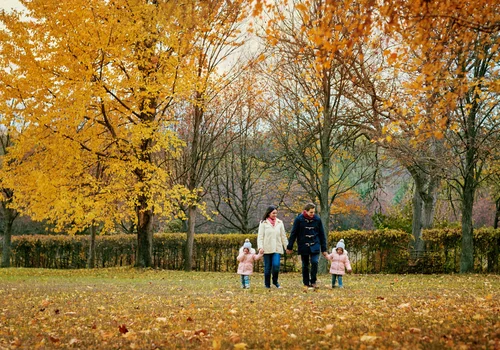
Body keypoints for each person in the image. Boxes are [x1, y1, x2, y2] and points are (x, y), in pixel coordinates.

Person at [286, 203, 328, 288]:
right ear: (306, 211)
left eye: (314, 212)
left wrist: (324, 249)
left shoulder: (317, 219)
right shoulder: (299, 219)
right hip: (303, 244)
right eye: (311, 212)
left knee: (315, 262)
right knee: (305, 264)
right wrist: (289, 247)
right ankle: (306, 282)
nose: (313, 214)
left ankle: (313, 281)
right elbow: (294, 233)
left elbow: (322, 234)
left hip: (315, 244)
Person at [257, 205, 289, 289]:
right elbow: (260, 236)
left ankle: (275, 281)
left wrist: (287, 247)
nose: (275, 215)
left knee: (276, 265)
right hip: (266, 248)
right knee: (267, 268)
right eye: (273, 213)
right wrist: (260, 247)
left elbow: (283, 236)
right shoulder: (263, 223)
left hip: (277, 248)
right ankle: (267, 284)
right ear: (269, 213)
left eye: (276, 213)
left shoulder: (280, 223)